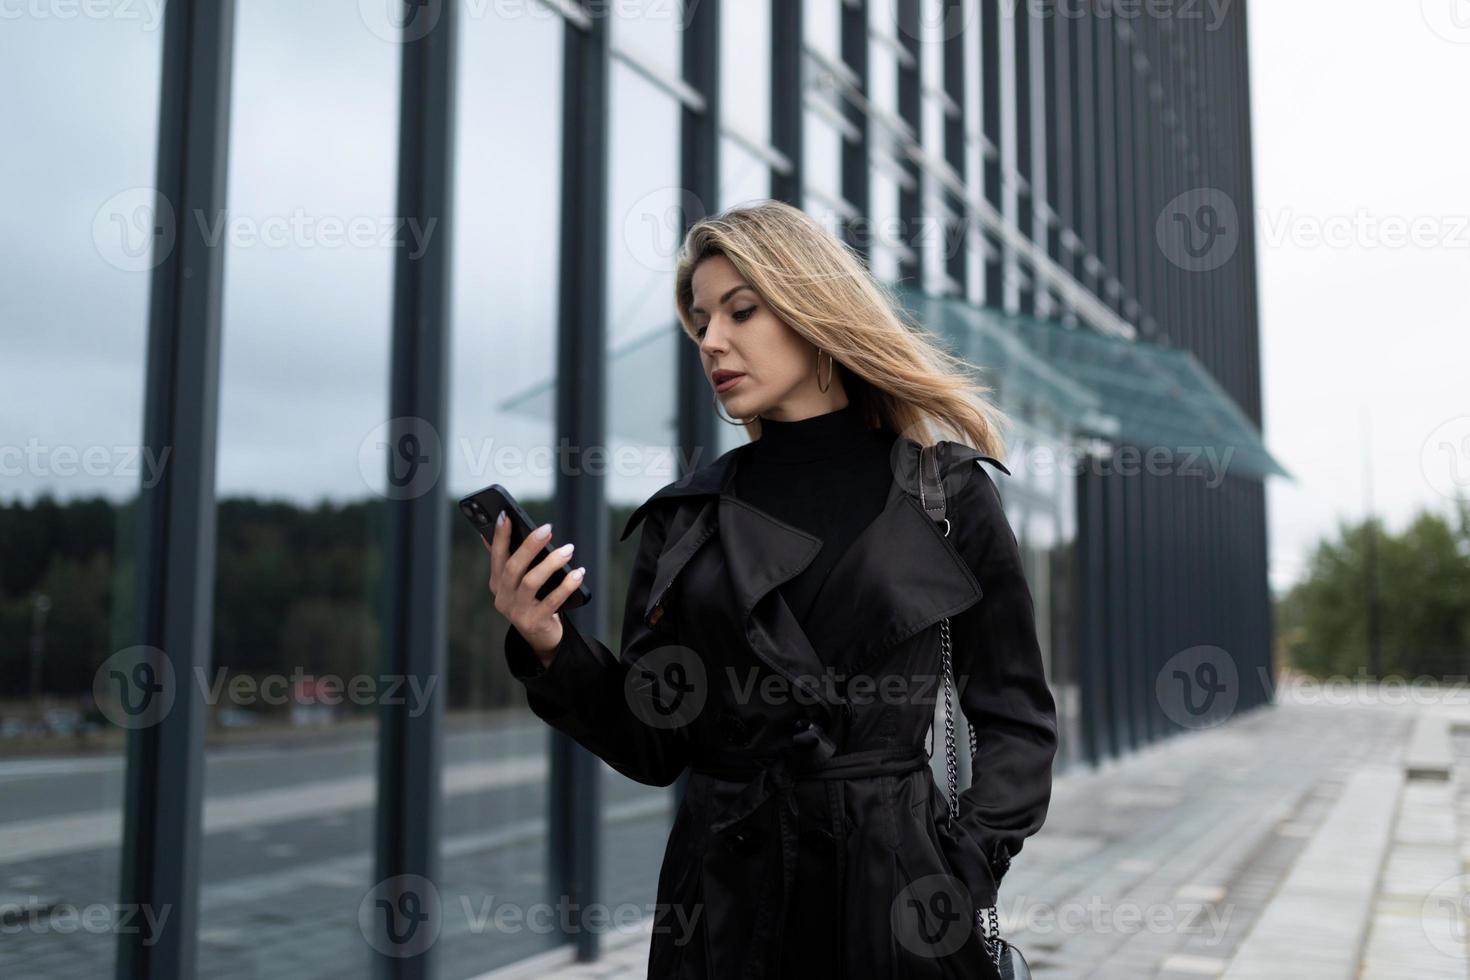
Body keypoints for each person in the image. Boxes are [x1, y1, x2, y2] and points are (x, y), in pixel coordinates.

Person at [484, 199, 1058, 979]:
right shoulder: (687, 519)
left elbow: (1016, 718)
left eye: (741, 311)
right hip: (725, 908)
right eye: (701, 320)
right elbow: (656, 742)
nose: (712, 340)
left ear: (814, 309)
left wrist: (963, 865)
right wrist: (550, 644)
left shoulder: (945, 496)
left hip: (898, 903)